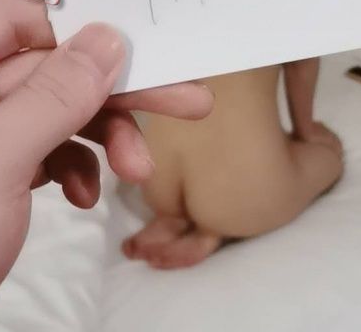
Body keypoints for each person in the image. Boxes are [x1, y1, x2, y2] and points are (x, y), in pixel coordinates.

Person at [0, 0, 214, 332]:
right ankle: (219, 222)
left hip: (160, 185)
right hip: (231, 190)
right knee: (313, 156)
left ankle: (181, 217)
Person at [122, 60, 344, 268]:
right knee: (329, 158)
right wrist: (306, 129)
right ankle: (211, 233)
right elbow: (301, 65)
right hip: (237, 196)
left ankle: (171, 218)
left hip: (155, 178)